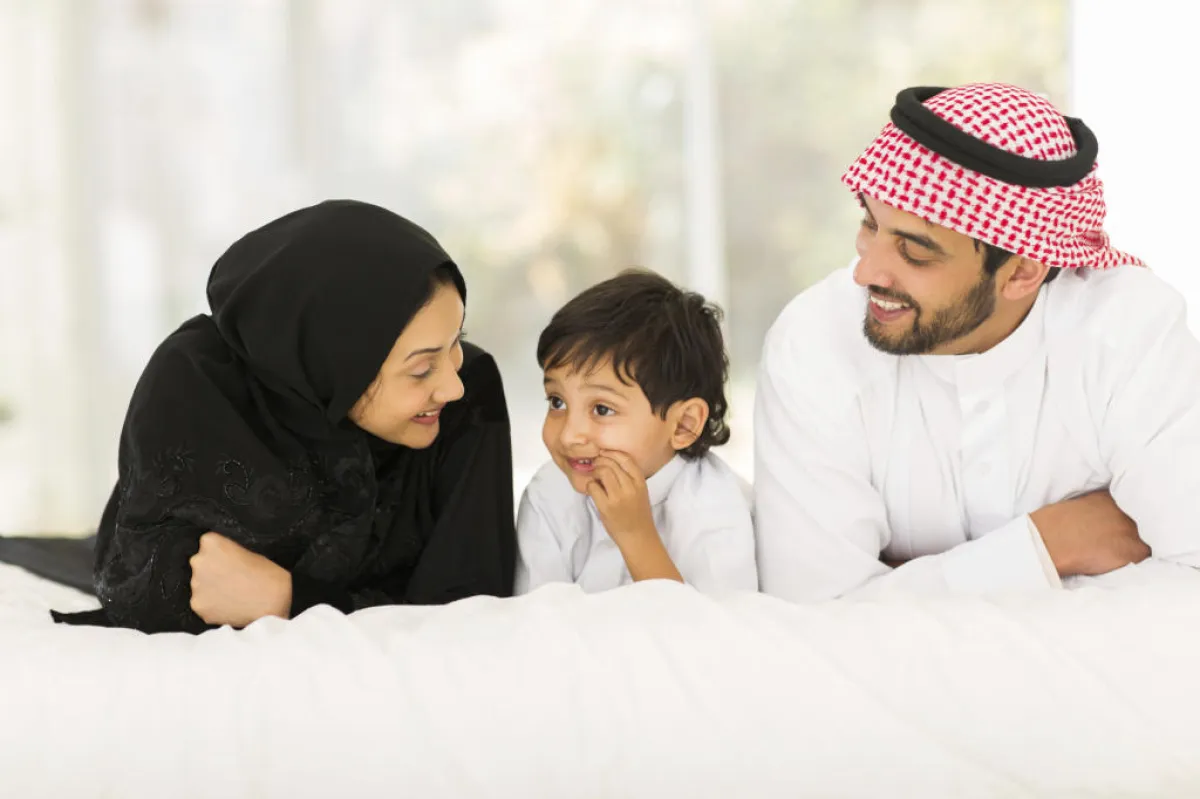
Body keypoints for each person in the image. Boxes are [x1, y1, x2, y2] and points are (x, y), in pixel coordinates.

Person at [754, 83, 1200, 602]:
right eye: (870, 225)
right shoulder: (814, 342)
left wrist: (899, 582)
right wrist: (1051, 545)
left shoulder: (1127, 330)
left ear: (1022, 273)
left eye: (915, 252)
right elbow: (813, 615)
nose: (866, 272)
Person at [55, 200, 516, 632]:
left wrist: (288, 600)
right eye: (420, 369)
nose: (452, 386)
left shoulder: (467, 394)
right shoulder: (197, 393)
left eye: (457, 340)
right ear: (331, 365)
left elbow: (468, 616)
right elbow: (147, 584)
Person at [514, 270, 757, 594]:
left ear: (683, 425)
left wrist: (635, 535)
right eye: (557, 402)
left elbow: (709, 625)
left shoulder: (716, 509)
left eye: (602, 409)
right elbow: (534, 615)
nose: (570, 435)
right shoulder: (549, 492)